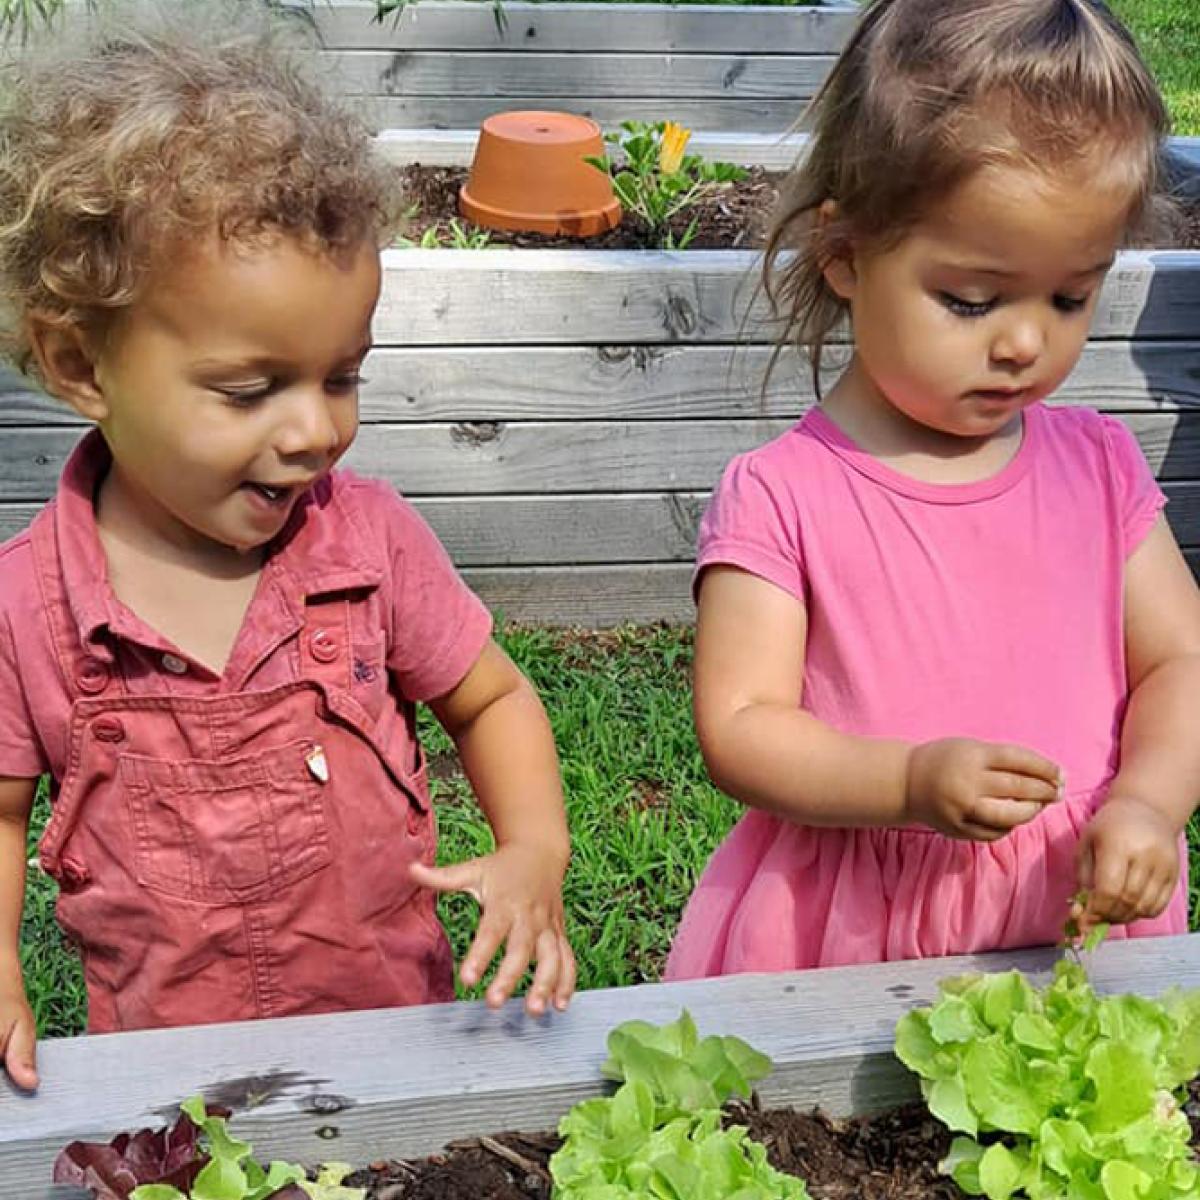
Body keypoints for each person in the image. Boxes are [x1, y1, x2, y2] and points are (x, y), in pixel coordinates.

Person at [0, 1, 574, 1092]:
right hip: (168, 1088)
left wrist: (533, 848)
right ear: (80, 364)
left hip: (398, 1063)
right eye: (254, 389)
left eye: (341, 376)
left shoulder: (365, 546)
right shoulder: (27, 607)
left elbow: (491, 699)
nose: (314, 430)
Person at [666, 0, 1200, 982]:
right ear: (845, 256)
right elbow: (740, 725)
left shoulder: (1101, 470)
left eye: (1070, 297)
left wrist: (1149, 802)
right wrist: (905, 780)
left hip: (1069, 907)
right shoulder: (784, 496)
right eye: (971, 299)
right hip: (854, 927)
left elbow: (1181, 660)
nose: (1024, 341)